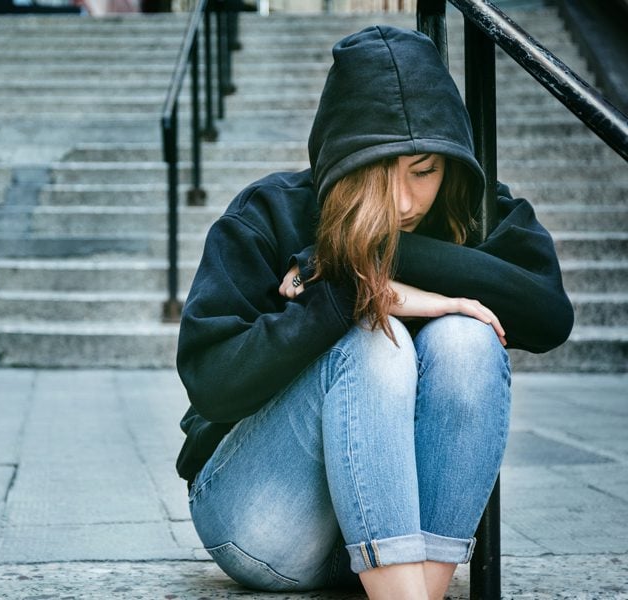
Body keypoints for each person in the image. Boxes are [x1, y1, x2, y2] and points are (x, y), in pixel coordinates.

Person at [174, 25, 574, 600]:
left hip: (410, 538)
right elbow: (211, 383)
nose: (406, 203)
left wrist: (354, 259)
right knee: (372, 341)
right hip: (264, 521)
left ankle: (410, 592)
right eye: (378, 174)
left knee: (466, 337)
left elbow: (548, 315)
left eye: (424, 170)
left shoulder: (478, 210)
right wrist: (347, 293)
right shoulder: (268, 213)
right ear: (340, 163)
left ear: (450, 163)